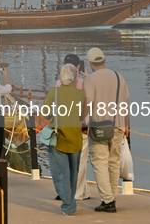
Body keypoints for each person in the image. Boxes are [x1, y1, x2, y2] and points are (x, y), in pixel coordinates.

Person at [82, 48, 129, 213]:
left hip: (98, 127)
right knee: (114, 162)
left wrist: (81, 119)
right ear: (105, 59)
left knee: (99, 162)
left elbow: (88, 102)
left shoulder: (90, 79)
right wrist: (127, 126)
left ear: (89, 63)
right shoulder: (119, 77)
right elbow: (125, 104)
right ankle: (113, 197)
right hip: (118, 126)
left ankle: (108, 201)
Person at [42, 64, 85, 216]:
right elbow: (82, 116)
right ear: (75, 77)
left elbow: (46, 114)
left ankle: (68, 206)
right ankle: (70, 201)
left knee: (61, 175)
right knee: (73, 174)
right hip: (75, 138)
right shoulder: (81, 94)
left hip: (58, 138)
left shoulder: (55, 92)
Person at [56, 54, 90, 201]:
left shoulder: (59, 84)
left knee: (65, 160)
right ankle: (78, 192)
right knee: (80, 160)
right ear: (78, 67)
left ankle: (69, 190)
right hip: (80, 124)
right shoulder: (84, 83)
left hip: (64, 125)